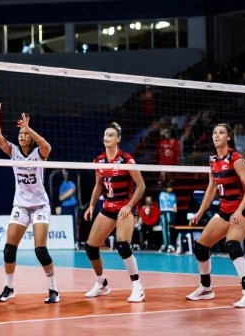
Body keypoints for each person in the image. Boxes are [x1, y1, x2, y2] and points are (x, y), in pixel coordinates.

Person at [0, 98, 57, 304]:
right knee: (9, 250)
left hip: (40, 206)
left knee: (40, 250)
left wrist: (28, 128)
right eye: (20, 134)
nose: (22, 136)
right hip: (21, 206)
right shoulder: (14, 152)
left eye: (26, 135)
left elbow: (46, 145)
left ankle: (53, 289)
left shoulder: (39, 153)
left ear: (31, 138)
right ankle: (9, 288)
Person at [186, 123, 245, 308]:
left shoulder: (236, 158)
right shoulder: (213, 160)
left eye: (221, 133)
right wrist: (200, 212)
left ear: (229, 137)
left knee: (232, 244)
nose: (217, 136)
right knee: (201, 247)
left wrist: (239, 210)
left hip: (243, 209)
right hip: (225, 211)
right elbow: (211, 189)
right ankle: (206, 288)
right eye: (214, 133)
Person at [83, 122, 146, 302]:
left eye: (111, 135)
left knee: (122, 245)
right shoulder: (99, 161)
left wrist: (129, 206)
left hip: (125, 207)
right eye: (105, 134)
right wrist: (92, 205)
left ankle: (138, 287)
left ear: (118, 139)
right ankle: (101, 283)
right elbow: (98, 185)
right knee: (91, 247)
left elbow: (141, 186)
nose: (107, 138)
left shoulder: (126, 160)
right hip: (108, 206)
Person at [58, 169, 78, 246]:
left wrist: (65, 195)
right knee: (65, 225)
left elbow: (71, 191)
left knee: (73, 225)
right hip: (65, 208)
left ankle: (74, 242)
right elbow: (60, 198)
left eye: (65, 172)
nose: (64, 174)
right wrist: (67, 194)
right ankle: (65, 242)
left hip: (72, 207)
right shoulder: (62, 185)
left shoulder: (71, 183)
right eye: (63, 172)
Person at [159, 181, 177, 252]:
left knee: (171, 228)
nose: (171, 189)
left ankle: (171, 245)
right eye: (170, 187)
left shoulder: (173, 194)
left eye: (172, 187)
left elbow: (174, 204)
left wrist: (175, 209)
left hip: (172, 212)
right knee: (165, 229)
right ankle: (166, 244)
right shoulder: (162, 194)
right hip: (165, 212)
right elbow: (162, 205)